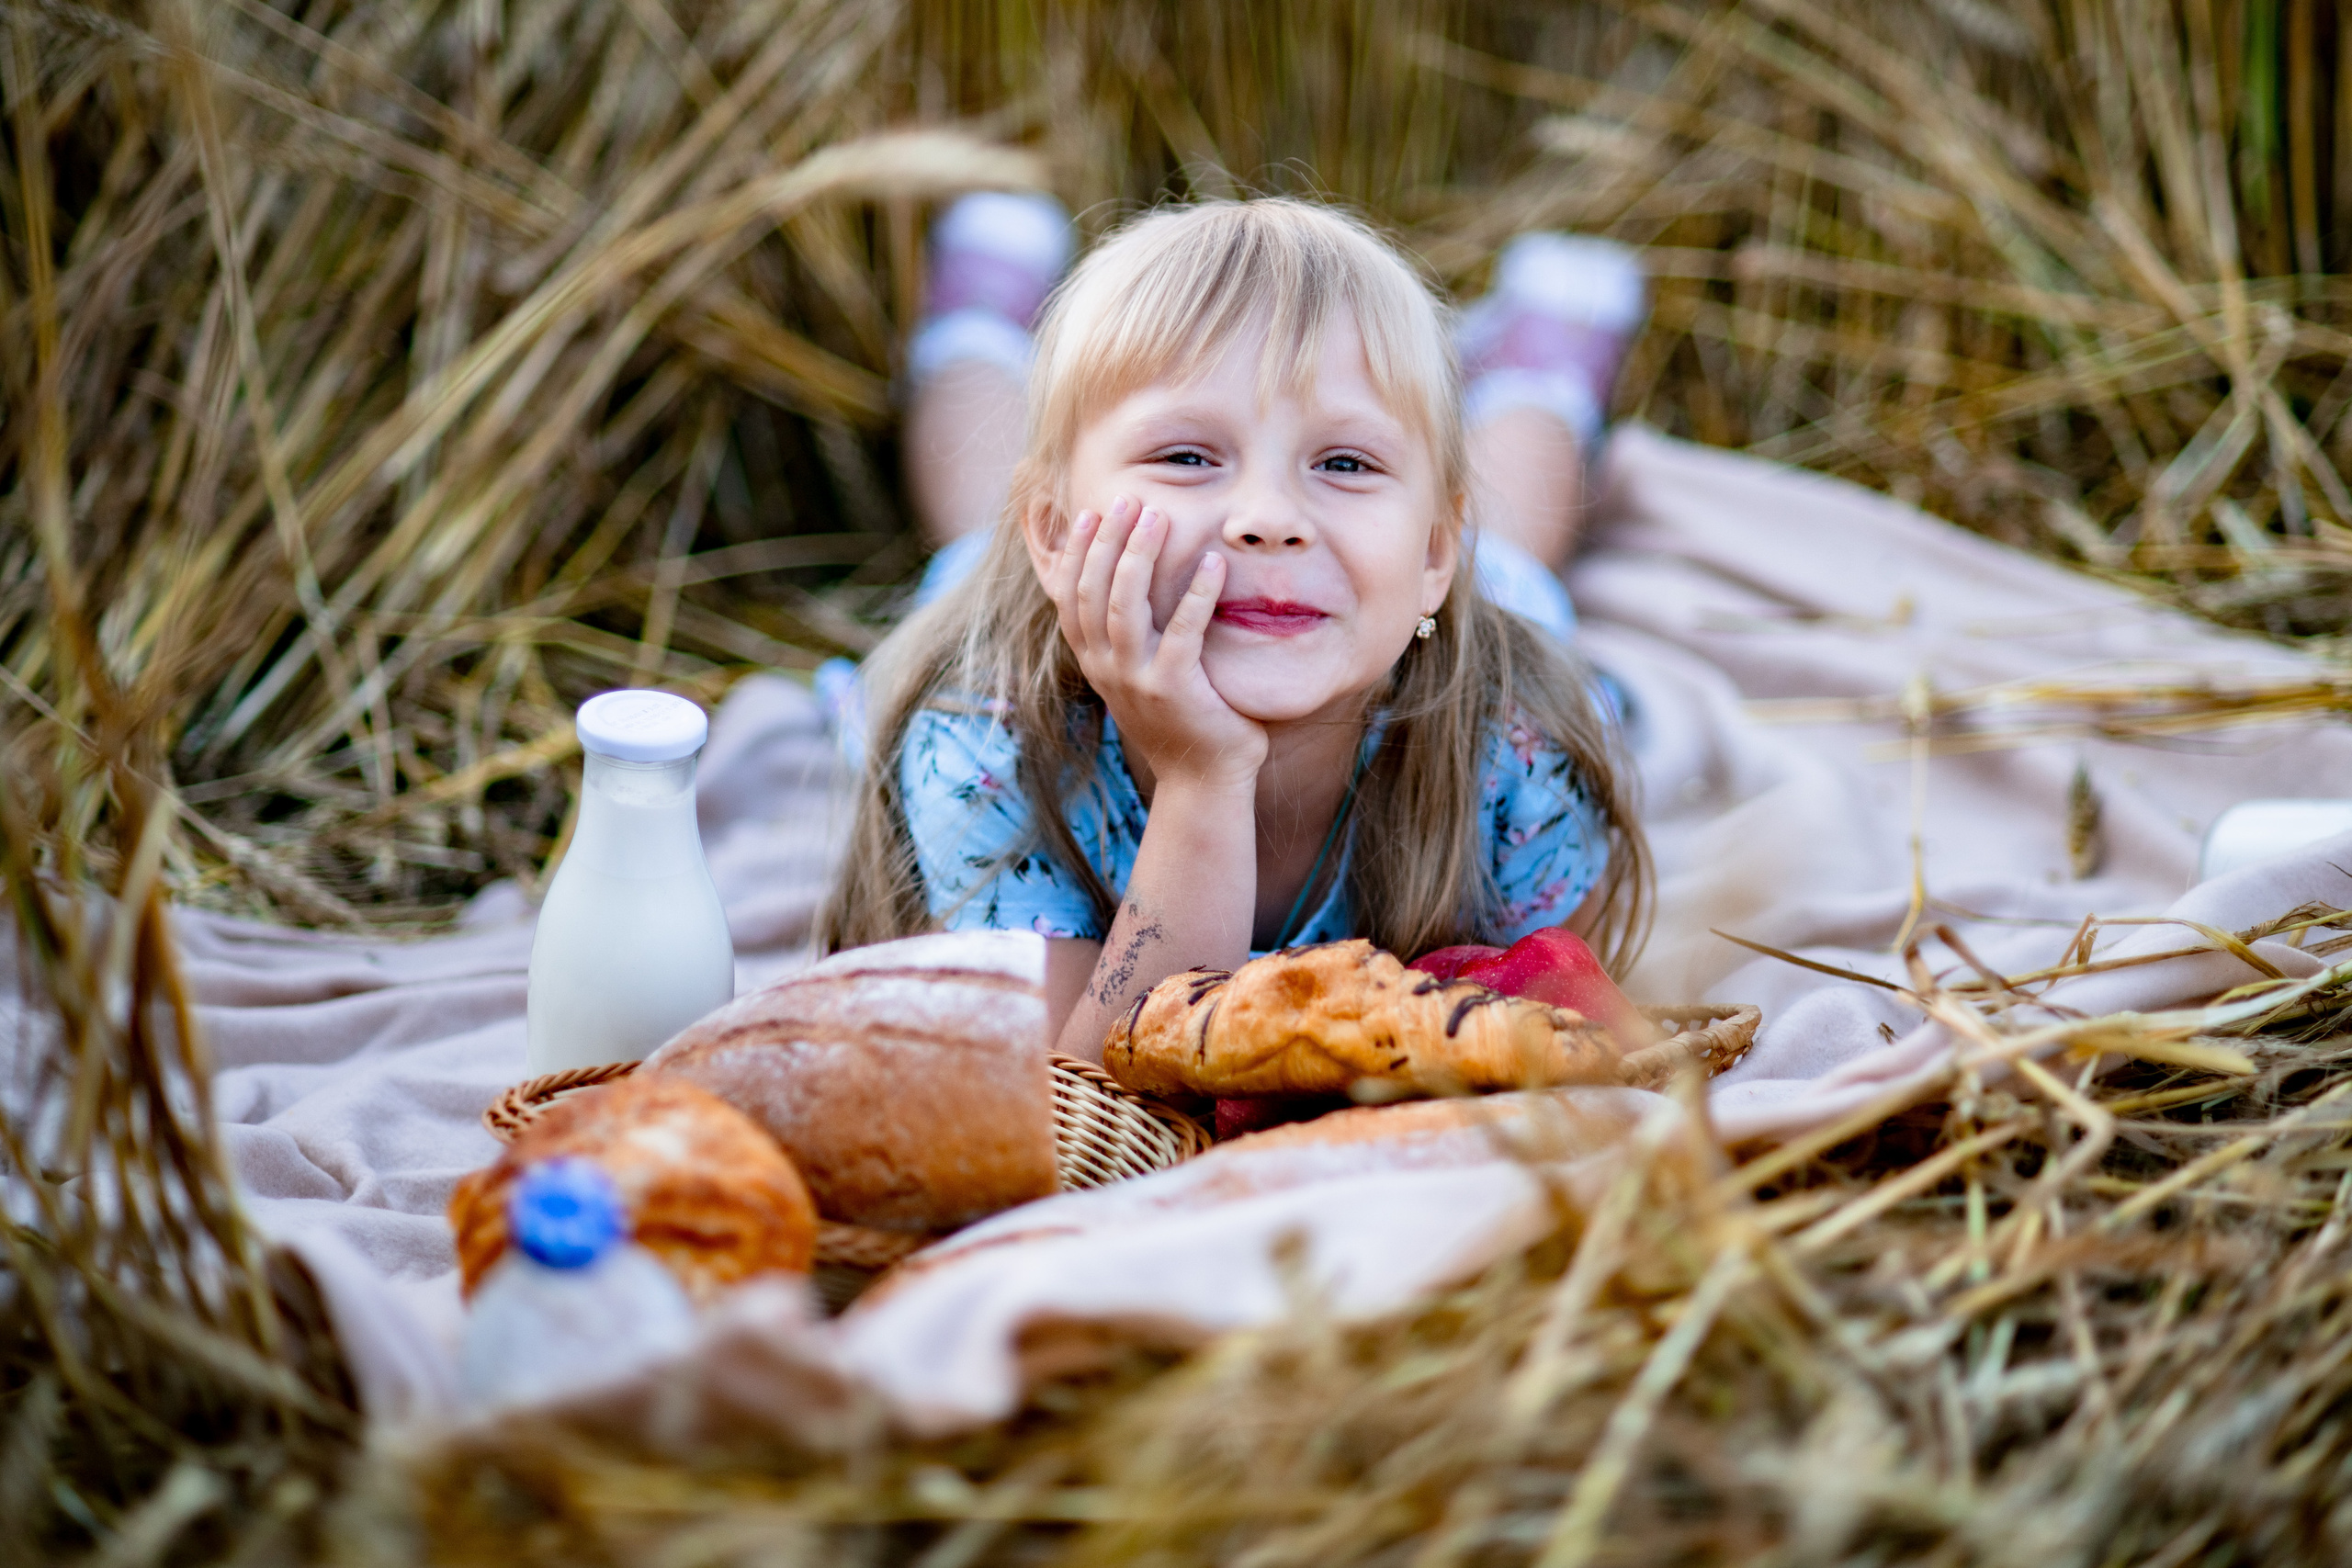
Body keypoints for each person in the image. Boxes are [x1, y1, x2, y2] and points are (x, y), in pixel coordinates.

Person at [819, 197, 1652, 1062]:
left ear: (1439, 551)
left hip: (1437, 619)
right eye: (1187, 456)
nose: (1268, 517)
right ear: (1060, 533)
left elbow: (1565, 1045)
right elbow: (1093, 1095)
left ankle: (1536, 375)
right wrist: (1200, 776)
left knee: (1516, 549)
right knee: (971, 521)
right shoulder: (987, 737)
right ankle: (978, 331)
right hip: (1020, 605)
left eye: (1344, 462)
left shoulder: (1521, 753)